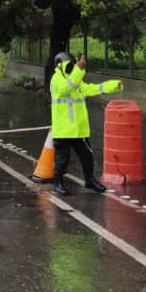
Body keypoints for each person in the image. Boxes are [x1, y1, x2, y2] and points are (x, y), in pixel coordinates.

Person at [49, 50, 123, 196]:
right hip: (63, 129)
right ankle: (58, 182)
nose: (72, 67)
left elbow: (92, 89)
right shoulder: (56, 80)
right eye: (69, 65)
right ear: (60, 66)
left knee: (87, 156)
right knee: (62, 159)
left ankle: (90, 180)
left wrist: (114, 85)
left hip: (79, 129)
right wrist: (79, 70)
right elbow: (66, 88)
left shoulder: (75, 80)